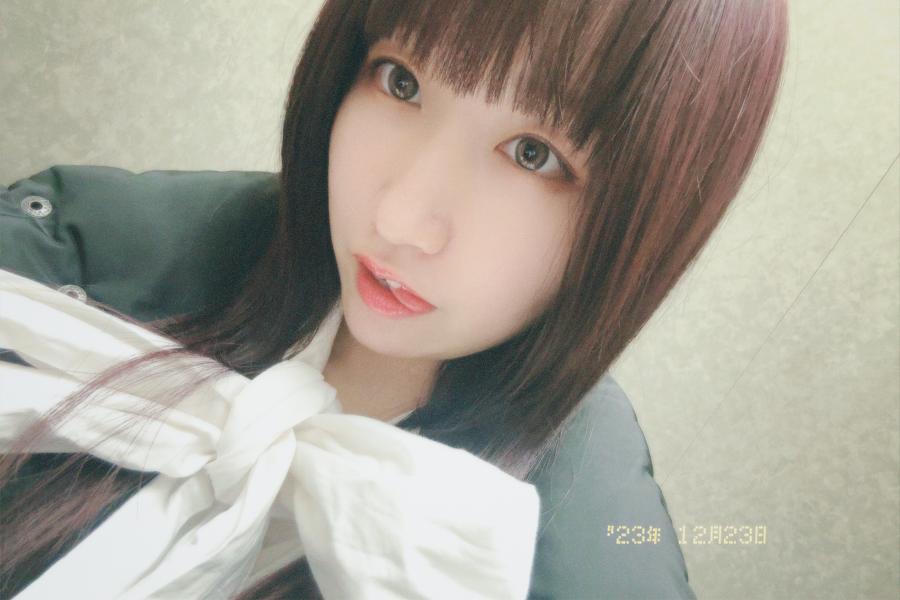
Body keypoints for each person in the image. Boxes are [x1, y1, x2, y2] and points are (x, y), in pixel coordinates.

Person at [0, 0, 789, 597]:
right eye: (400, 81)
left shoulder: (579, 555)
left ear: (649, 221)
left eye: (533, 154)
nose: (399, 219)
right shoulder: (79, 259)